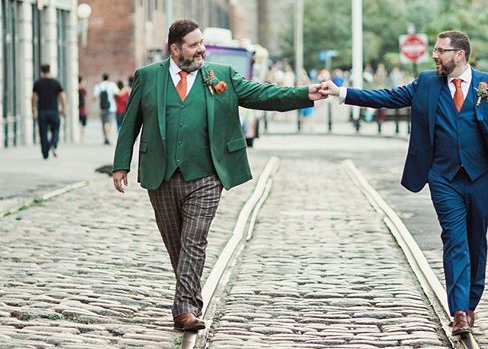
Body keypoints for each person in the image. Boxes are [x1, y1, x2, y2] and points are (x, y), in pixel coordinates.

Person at [321, 30, 488, 338]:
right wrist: (341, 92)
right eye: (434, 50)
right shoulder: (426, 84)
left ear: (459, 55)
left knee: (476, 240)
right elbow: (388, 97)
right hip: (443, 177)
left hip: (482, 178)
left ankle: (472, 303)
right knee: (454, 238)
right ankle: (459, 311)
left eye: (441, 50)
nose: (435, 55)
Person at [112, 19, 327, 333]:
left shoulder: (220, 75)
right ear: (174, 49)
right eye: (194, 44)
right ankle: (190, 296)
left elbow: (263, 95)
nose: (202, 49)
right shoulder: (148, 77)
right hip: (161, 174)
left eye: (202, 43)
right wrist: (121, 164)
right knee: (177, 245)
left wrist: (304, 93)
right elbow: (130, 123)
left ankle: (184, 309)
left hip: (207, 175)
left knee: (193, 241)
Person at [32, 64, 66, 159]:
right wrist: (63, 108)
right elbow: (62, 96)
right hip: (54, 111)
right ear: (50, 70)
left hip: (42, 111)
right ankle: (53, 144)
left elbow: (34, 97)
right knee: (55, 129)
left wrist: (33, 109)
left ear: (42, 71)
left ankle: (45, 153)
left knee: (43, 132)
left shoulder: (38, 83)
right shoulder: (56, 82)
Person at [94, 73, 119, 145]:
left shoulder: (98, 86)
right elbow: (118, 94)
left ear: (102, 78)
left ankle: (105, 137)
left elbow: (95, 96)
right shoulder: (112, 85)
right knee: (109, 123)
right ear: (108, 78)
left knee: (103, 123)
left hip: (101, 108)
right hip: (111, 107)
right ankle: (108, 137)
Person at [78, 76, 88, 140]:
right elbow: (86, 93)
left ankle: (81, 135)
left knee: (82, 122)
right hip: (81, 108)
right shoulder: (81, 89)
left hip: (81, 107)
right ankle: (81, 135)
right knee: (82, 122)